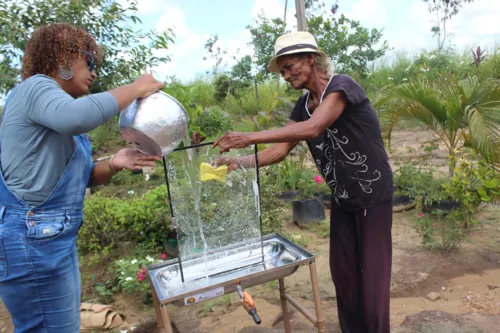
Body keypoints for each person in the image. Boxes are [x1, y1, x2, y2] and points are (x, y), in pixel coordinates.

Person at [213, 31, 394, 333]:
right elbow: (279, 151)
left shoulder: (341, 86)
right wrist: (237, 163)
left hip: (373, 196)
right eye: (282, 70)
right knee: (344, 275)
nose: (285, 75)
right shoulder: (302, 105)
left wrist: (248, 138)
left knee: (373, 279)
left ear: (310, 58)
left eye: (289, 66)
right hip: (343, 199)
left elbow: (315, 127)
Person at [0, 23, 165, 332]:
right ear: (63, 58)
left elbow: (78, 179)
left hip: (50, 239)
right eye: (88, 61)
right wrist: (137, 87)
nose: (94, 72)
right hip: (31, 240)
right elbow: (77, 116)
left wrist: (114, 163)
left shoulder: (55, 117)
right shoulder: (35, 88)